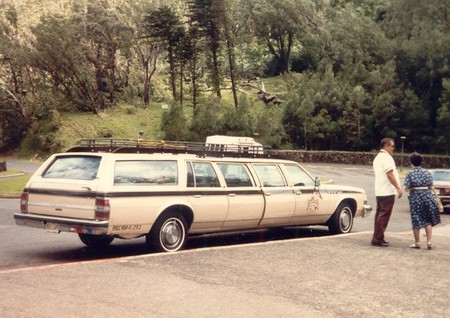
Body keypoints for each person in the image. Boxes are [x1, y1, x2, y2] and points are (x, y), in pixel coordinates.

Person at [403, 153, 441, 250]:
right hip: (427, 196)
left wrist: (412, 189)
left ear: (411, 162)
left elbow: (407, 188)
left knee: (416, 219)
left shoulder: (410, 173)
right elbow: (431, 186)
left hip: (416, 197)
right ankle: (429, 242)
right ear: (421, 162)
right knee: (427, 220)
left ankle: (417, 243)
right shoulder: (427, 172)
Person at [372, 137, 403, 247]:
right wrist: (398, 188)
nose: (393, 149)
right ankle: (378, 238)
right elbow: (389, 174)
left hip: (380, 190)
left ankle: (377, 236)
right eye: (392, 146)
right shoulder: (386, 158)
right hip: (387, 190)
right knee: (384, 215)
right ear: (386, 146)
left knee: (379, 214)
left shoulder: (378, 158)